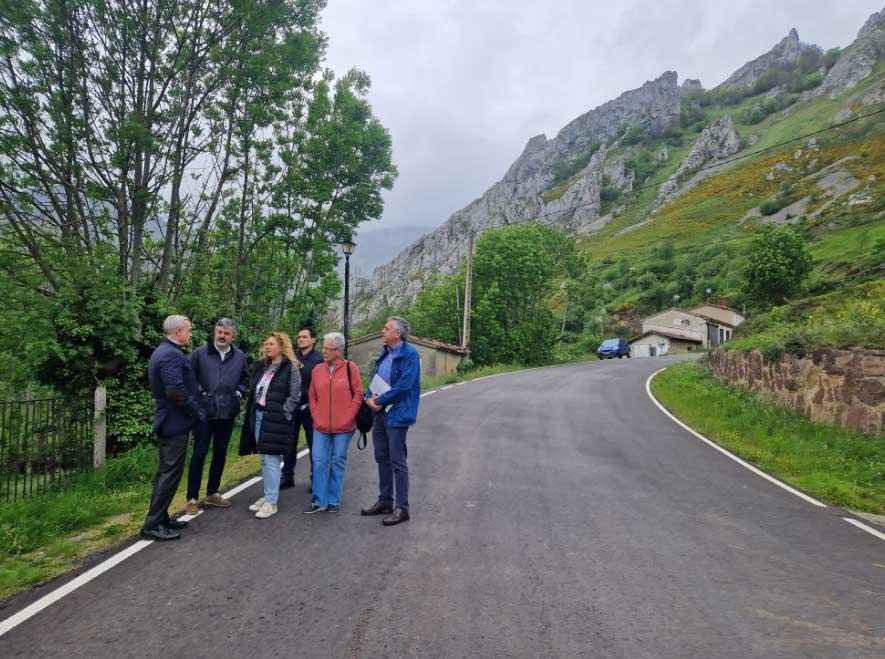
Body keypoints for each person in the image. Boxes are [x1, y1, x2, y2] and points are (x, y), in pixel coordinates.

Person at [142, 315, 204, 542]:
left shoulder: (165, 351)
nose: (190, 334)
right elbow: (174, 390)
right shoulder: (169, 354)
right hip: (173, 422)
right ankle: (152, 524)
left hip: (172, 420)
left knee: (170, 472)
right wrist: (195, 412)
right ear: (179, 330)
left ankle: (161, 516)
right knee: (169, 474)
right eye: (188, 330)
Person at [184, 318, 250, 514]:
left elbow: (246, 378)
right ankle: (192, 498)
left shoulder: (239, 357)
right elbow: (188, 377)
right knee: (199, 454)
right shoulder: (198, 354)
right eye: (219, 331)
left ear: (233, 336)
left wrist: (237, 393)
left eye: (226, 333)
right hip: (204, 413)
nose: (221, 336)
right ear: (215, 332)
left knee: (220, 454)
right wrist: (200, 394)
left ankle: (212, 493)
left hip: (227, 412)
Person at [361, 316, 421, 526]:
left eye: (386, 329)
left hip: (397, 413)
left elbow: (404, 386)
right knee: (381, 457)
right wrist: (369, 398)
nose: (382, 331)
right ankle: (385, 501)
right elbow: (377, 379)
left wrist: (381, 401)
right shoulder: (386, 353)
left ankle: (402, 508)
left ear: (397, 333)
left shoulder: (410, 355)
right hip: (380, 412)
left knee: (397, 461)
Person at [238, 332, 301, 519]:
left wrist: (284, 412)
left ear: (282, 347)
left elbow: (295, 395)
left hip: (276, 419)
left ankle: (272, 502)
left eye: (271, 344)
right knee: (264, 459)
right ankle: (267, 495)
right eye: (266, 343)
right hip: (259, 416)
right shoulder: (262, 367)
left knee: (272, 460)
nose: (267, 346)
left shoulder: (290, 369)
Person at [303, 332, 363, 514]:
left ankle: (333, 500)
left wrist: (349, 416)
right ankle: (318, 500)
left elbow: (358, 394)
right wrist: (315, 414)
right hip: (320, 426)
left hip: (344, 427)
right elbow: (312, 395)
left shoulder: (350, 368)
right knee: (319, 461)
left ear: (338, 350)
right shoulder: (317, 370)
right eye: (323, 348)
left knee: (337, 461)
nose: (324, 352)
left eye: (328, 349)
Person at [281, 327, 324, 492]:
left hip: (311, 407)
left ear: (313, 340)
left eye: (305, 337)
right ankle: (287, 476)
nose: (301, 339)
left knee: (314, 444)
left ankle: (315, 479)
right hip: (292, 405)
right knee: (289, 443)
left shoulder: (320, 359)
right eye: (299, 336)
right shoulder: (290, 357)